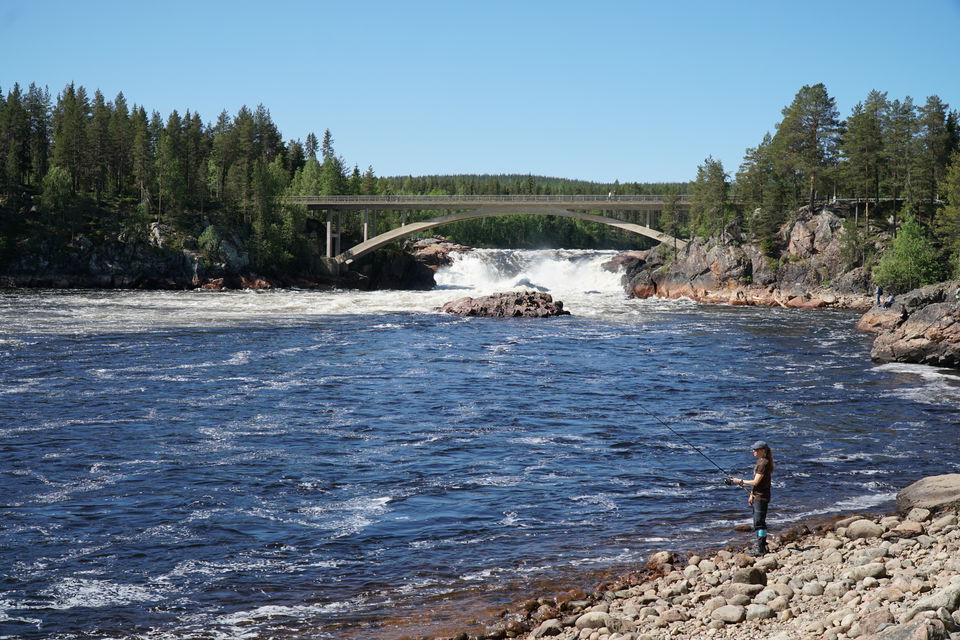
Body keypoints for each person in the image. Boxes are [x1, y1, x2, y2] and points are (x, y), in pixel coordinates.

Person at [728, 441, 774, 555]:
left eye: (755, 449)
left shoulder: (764, 463)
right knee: (758, 522)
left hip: (762, 497)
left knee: (759, 522)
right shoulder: (761, 462)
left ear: (762, 451)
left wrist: (739, 481)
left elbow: (756, 481)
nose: (753, 451)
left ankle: (761, 549)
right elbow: (757, 483)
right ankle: (762, 546)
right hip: (757, 495)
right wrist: (751, 494)